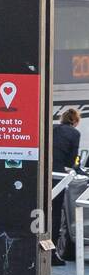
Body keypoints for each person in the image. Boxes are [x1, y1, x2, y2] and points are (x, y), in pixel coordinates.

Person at [53, 107, 82, 266]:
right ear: (76, 121)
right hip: (58, 177)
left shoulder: (52, 128)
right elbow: (72, 161)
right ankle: (51, 253)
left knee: (42, 212)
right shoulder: (74, 134)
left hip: (42, 174)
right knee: (56, 214)